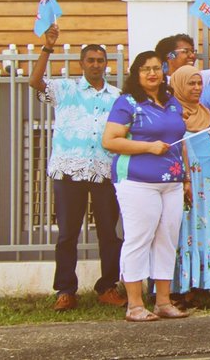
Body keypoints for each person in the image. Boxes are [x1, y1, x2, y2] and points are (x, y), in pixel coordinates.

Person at [28, 25, 126, 312]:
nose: (95, 65)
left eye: (100, 61)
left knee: (109, 232)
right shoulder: (66, 88)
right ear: (81, 63)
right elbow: (35, 82)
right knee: (67, 233)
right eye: (90, 60)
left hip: (104, 170)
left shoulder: (116, 96)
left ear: (106, 65)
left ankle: (107, 286)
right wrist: (47, 47)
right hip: (69, 171)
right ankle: (66, 290)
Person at [101, 50, 189, 322]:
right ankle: (135, 304)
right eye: (145, 69)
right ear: (136, 74)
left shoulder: (171, 102)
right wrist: (148, 147)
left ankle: (163, 301)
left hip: (172, 182)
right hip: (137, 181)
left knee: (167, 239)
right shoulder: (126, 103)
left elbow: (180, 140)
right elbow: (110, 140)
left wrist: (185, 178)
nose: (152, 73)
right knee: (139, 238)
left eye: (156, 68)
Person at [169, 64, 210, 306]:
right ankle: (180, 288)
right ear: (179, 85)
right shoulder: (172, 115)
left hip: (208, 184)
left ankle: (204, 285)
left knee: (206, 232)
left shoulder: (207, 115)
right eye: (191, 83)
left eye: (199, 83)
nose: (196, 88)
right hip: (183, 182)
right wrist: (183, 180)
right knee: (182, 232)